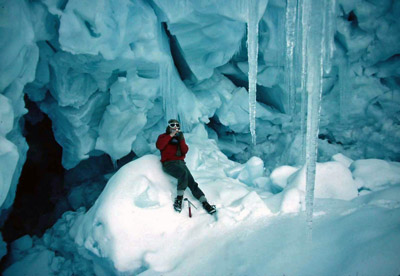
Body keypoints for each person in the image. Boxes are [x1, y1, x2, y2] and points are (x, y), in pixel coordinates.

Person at [156, 119, 216, 215]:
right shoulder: (163, 137)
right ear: (169, 126)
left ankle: (205, 203)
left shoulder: (179, 138)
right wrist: (170, 135)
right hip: (169, 163)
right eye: (172, 125)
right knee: (182, 174)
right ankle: (179, 199)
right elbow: (159, 145)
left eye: (177, 125)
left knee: (192, 183)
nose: (175, 127)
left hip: (181, 163)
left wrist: (181, 139)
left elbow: (184, 150)